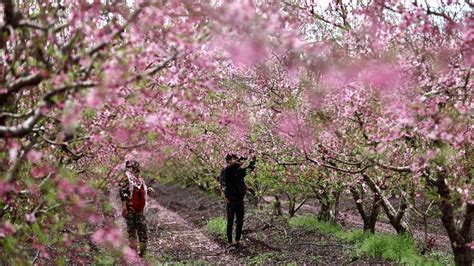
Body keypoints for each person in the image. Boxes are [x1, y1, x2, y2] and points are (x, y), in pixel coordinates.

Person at [219, 153, 256, 250]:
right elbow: (222, 182)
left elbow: (249, 169)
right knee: (230, 221)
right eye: (233, 159)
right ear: (228, 161)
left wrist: (253, 160)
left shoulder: (239, 171)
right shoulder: (226, 170)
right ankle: (230, 242)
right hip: (231, 200)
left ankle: (237, 241)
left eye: (236, 158)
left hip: (240, 199)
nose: (235, 160)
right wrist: (246, 156)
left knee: (240, 221)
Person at [119, 160, 148, 257]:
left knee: (142, 230)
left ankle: (143, 253)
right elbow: (123, 194)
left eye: (133, 168)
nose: (132, 170)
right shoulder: (126, 178)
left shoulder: (139, 179)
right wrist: (124, 208)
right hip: (130, 208)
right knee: (132, 231)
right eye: (130, 168)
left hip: (139, 209)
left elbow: (142, 192)